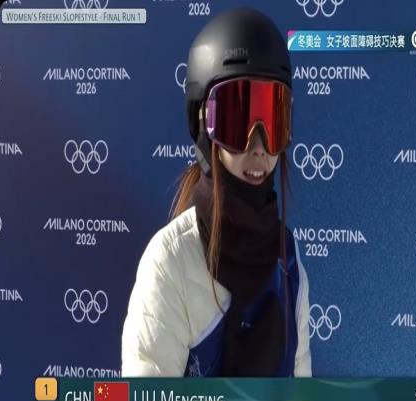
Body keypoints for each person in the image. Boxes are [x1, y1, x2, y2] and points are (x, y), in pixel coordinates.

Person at [121, 7, 312, 377]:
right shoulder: (171, 262)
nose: (259, 147)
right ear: (204, 128)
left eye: (273, 121)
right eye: (239, 120)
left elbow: (302, 399)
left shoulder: (289, 264)